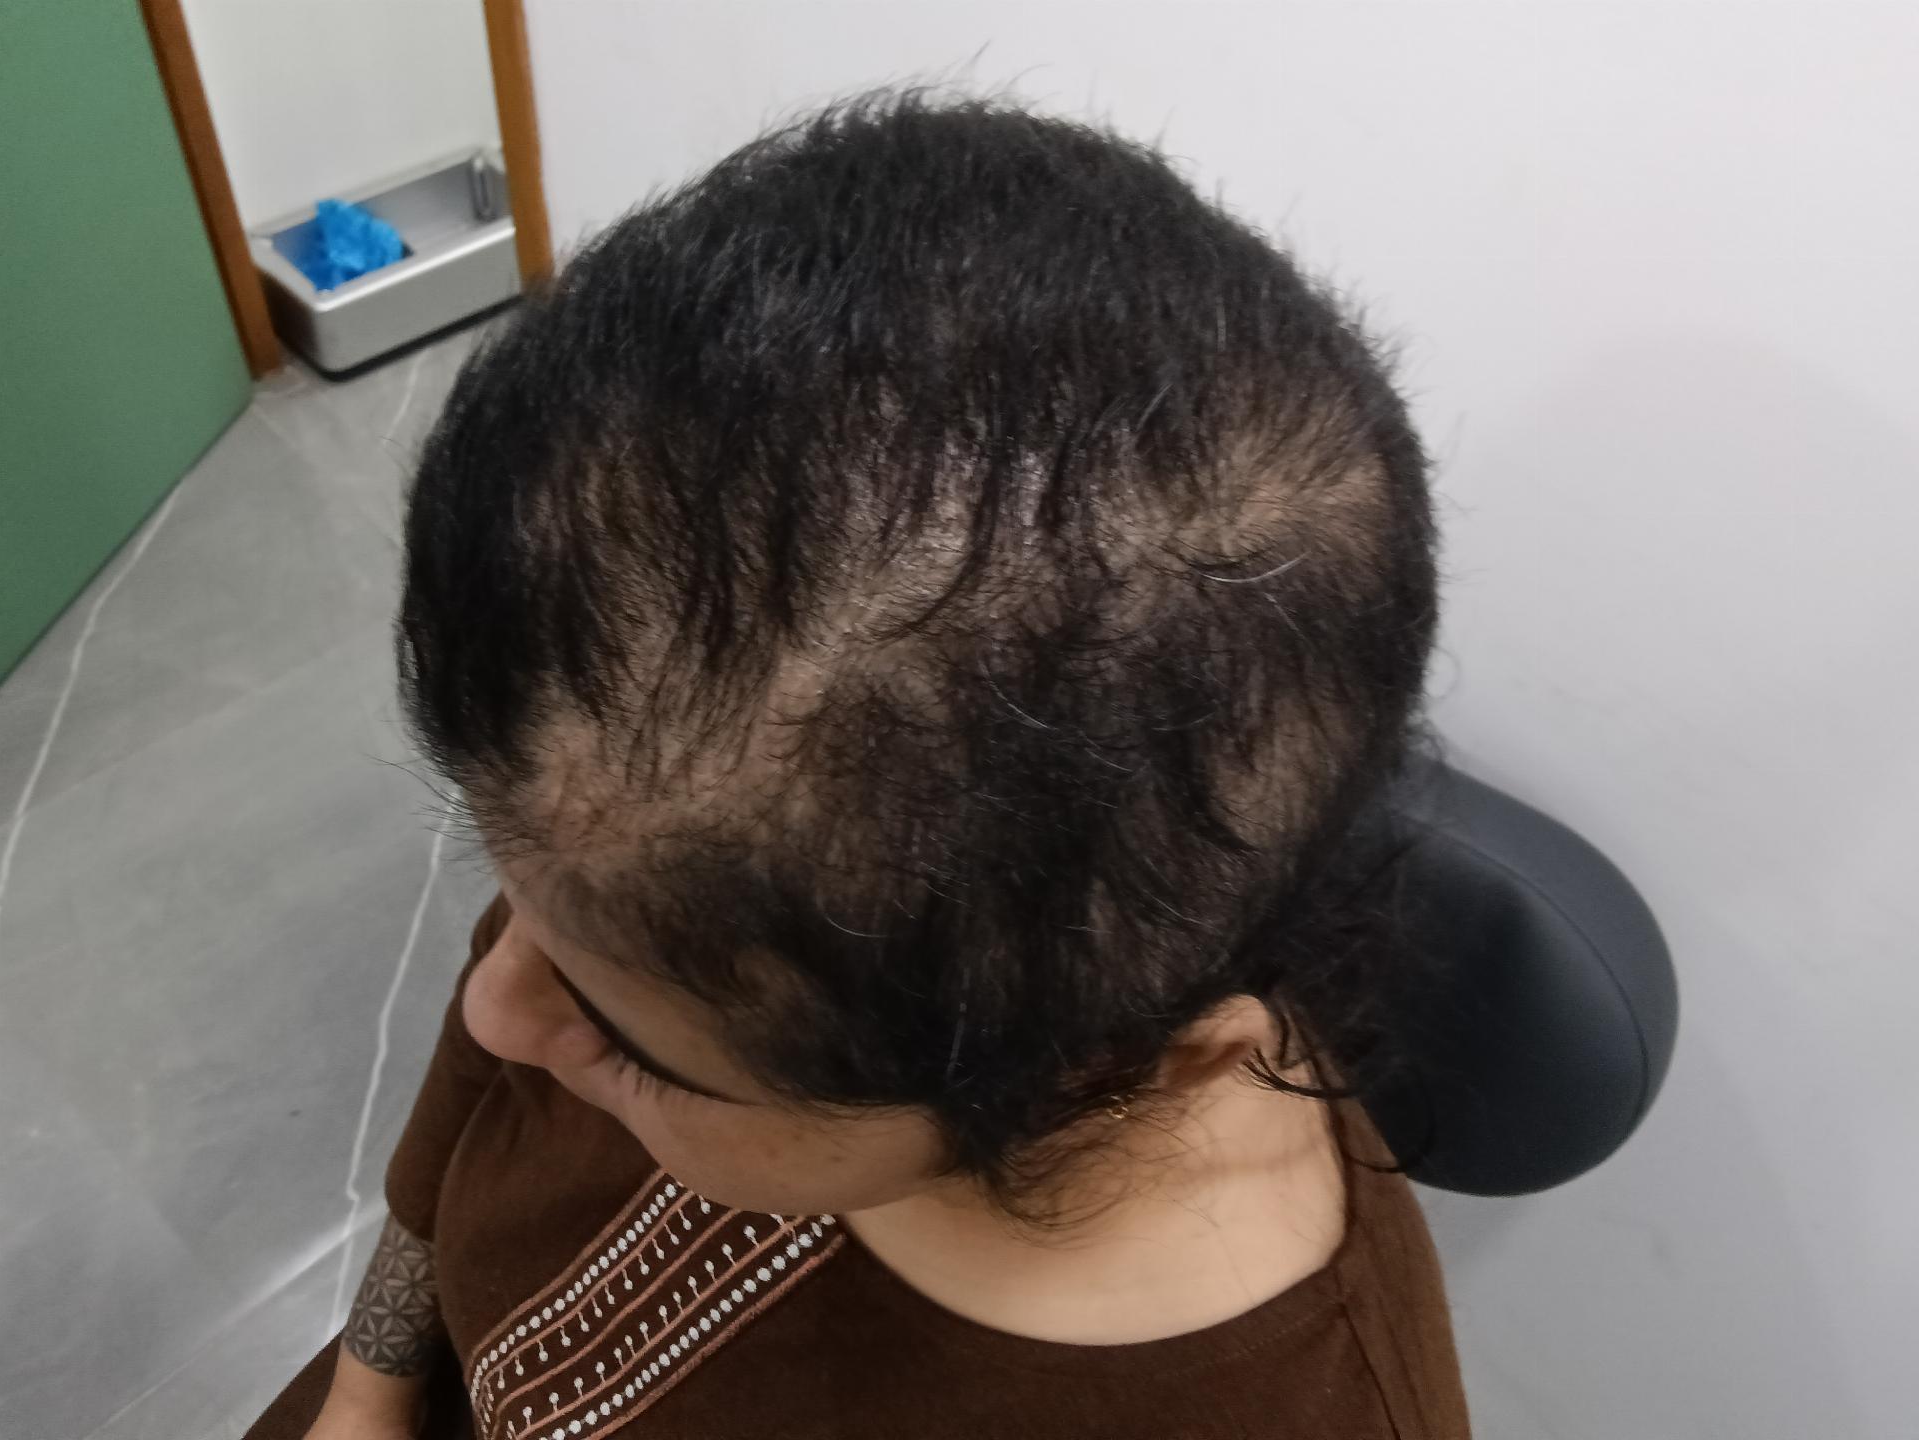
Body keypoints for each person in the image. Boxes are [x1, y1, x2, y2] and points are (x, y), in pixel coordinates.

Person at [247, 92, 1468, 1440]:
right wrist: (366, 1393)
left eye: (630, 1050)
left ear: (1102, 1073)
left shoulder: (1290, 1408)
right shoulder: (624, 864)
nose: (495, 1008)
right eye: (514, 904)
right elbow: (465, 1131)